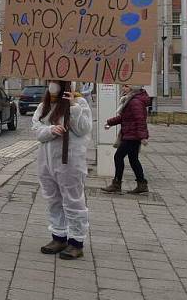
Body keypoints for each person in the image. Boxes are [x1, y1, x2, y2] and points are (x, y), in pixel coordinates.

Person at [32, 80, 92, 260]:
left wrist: (72, 106)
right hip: (47, 162)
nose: (53, 85)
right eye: (50, 81)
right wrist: (50, 130)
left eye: (57, 81)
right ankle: (59, 236)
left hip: (70, 162)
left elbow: (83, 129)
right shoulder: (45, 105)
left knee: (73, 200)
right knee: (53, 200)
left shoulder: (80, 103)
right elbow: (36, 129)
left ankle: (76, 242)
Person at [102, 84, 150, 194]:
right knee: (133, 160)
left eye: (127, 86)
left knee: (118, 156)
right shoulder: (131, 100)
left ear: (133, 88)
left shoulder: (134, 102)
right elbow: (125, 117)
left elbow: (140, 119)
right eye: (123, 86)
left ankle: (117, 184)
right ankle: (141, 184)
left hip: (132, 136)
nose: (123, 88)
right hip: (131, 134)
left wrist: (143, 136)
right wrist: (110, 122)